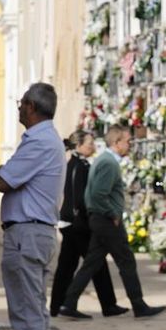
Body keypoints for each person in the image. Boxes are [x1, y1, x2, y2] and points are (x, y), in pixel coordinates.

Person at [0, 84, 68, 330]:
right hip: (34, 233)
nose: (18, 108)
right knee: (34, 310)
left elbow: (5, 180)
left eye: (21, 103)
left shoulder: (40, 142)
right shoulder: (46, 139)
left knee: (27, 312)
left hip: (27, 234)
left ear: (33, 106)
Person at [57, 124, 166, 321]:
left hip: (100, 219)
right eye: (127, 141)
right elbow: (98, 194)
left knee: (92, 263)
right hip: (106, 220)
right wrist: (112, 213)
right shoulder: (108, 163)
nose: (130, 144)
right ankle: (138, 304)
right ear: (117, 143)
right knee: (126, 260)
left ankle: (69, 302)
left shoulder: (104, 160)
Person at [49, 131, 122, 318]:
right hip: (78, 225)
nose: (93, 146)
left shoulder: (76, 164)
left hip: (71, 224)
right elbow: (80, 198)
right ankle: (106, 305)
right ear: (79, 145)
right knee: (95, 263)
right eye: (90, 143)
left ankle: (58, 306)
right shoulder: (78, 166)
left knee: (67, 266)